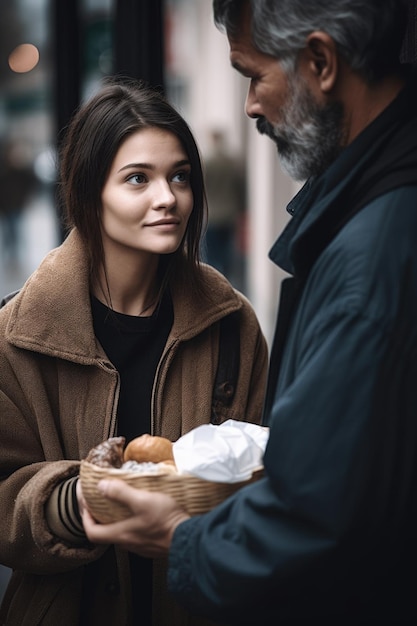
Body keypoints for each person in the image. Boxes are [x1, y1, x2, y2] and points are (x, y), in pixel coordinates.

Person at [81, 1, 417, 624]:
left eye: (253, 75)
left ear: (320, 61)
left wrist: (183, 542)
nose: (250, 106)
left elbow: (314, 510)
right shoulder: (365, 224)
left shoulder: (361, 263)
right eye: (136, 178)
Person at [0, 78, 269, 626]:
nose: (167, 197)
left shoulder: (231, 323)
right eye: (138, 179)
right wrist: (73, 504)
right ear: (89, 191)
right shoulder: (16, 334)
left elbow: (264, 475)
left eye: (179, 177)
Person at [203, 128, 246, 282]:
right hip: (229, 213)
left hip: (212, 214)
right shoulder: (231, 163)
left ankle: (213, 282)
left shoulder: (207, 163)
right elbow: (240, 188)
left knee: (211, 253)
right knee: (227, 252)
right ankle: (226, 280)